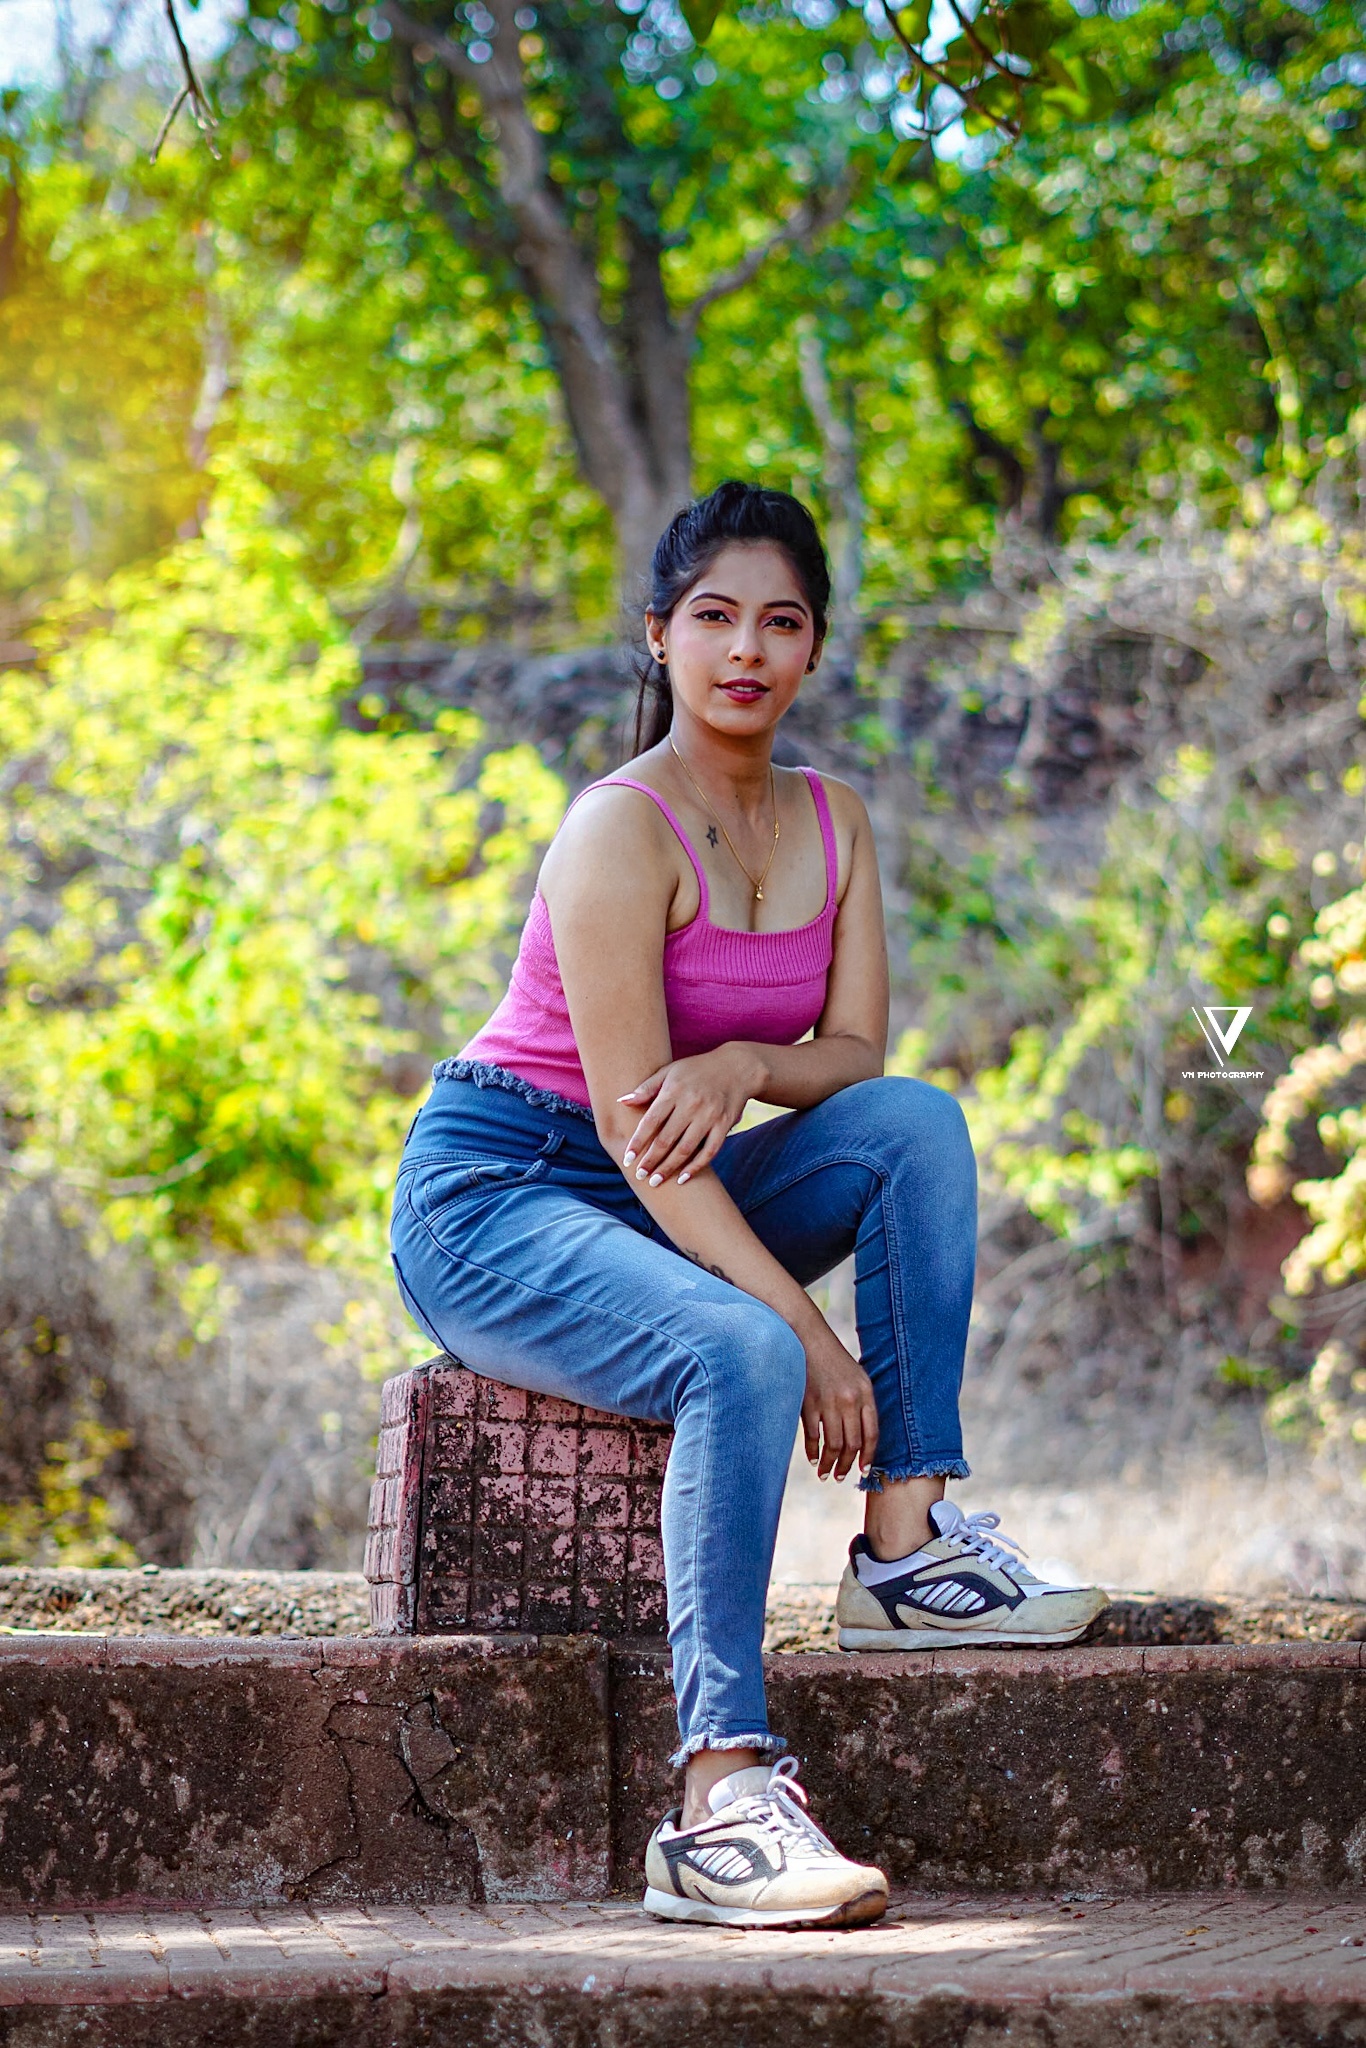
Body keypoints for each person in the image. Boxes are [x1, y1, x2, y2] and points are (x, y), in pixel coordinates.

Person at [389, 480, 1108, 1931]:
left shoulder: (833, 821)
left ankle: (904, 1547)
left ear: (813, 648)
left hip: (672, 1179)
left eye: (780, 622)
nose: (745, 650)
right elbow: (636, 1139)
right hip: (505, 1194)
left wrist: (740, 1066)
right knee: (743, 1351)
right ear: (659, 636)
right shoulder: (618, 831)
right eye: (713, 617)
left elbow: (856, 1056)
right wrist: (812, 1338)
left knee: (913, 1128)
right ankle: (718, 1802)